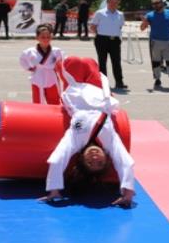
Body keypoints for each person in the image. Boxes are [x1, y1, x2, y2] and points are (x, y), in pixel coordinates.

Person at [41, 56, 135, 207]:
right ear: (106, 157)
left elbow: (58, 158)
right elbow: (126, 162)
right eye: (99, 162)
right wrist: (128, 192)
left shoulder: (76, 136)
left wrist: (54, 190)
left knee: (71, 62)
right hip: (98, 92)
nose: (95, 156)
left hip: (75, 90)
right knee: (89, 62)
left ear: (81, 159)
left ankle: (56, 63)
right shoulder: (110, 140)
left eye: (91, 162)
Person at [140, 0, 169, 90]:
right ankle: (157, 79)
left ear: (162, 3)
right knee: (156, 62)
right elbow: (142, 28)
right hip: (155, 41)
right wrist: (144, 22)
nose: (155, 5)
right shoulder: (149, 15)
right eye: (153, 4)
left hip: (167, 40)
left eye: (157, 3)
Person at [19, 24, 64, 105]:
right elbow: (22, 59)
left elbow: (62, 62)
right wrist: (29, 68)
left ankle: (53, 117)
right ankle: (38, 117)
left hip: (51, 78)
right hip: (37, 78)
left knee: (54, 102)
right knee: (38, 102)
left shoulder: (57, 51)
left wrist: (58, 68)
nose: (46, 39)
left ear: (51, 37)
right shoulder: (30, 51)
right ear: (37, 38)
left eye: (48, 37)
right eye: (43, 37)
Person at [90, 0, 127, 90]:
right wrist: (99, 35)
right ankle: (103, 83)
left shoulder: (120, 14)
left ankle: (119, 82)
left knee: (116, 62)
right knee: (102, 62)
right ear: (107, 2)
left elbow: (120, 26)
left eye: (116, 2)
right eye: (112, 2)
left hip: (115, 40)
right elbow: (93, 26)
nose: (114, 4)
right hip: (102, 39)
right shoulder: (100, 13)